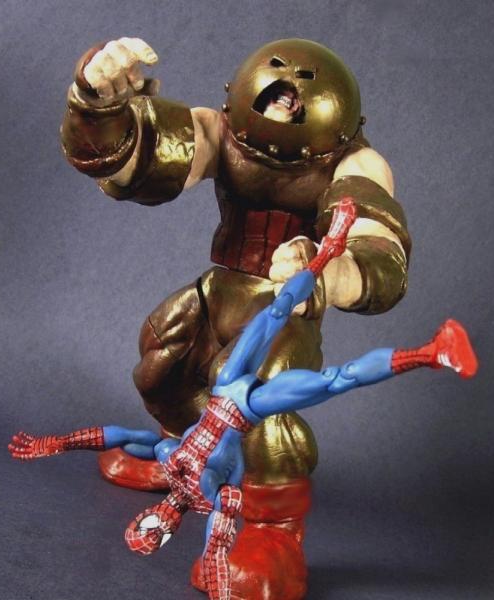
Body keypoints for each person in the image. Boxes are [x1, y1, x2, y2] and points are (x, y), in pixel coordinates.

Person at [60, 36, 411, 598]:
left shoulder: (356, 163)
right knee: (163, 361)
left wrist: (325, 273)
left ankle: (276, 532)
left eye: (297, 96)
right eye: (274, 90)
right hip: (221, 286)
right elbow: (134, 162)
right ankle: (185, 453)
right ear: (241, 95)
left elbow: (379, 252)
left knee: (261, 404)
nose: (285, 100)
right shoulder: (220, 132)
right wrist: (99, 104)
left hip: (286, 308)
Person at [10, 202, 477, 600]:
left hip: (225, 385)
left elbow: (115, 436)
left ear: (144, 517)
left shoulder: (168, 455)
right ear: (168, 535)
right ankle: (433, 352)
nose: (158, 523)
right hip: (251, 405)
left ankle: (329, 249)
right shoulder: (215, 494)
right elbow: (221, 533)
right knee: (336, 380)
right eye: (158, 536)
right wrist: (218, 574)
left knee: (277, 309)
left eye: (146, 526)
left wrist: (56, 443)